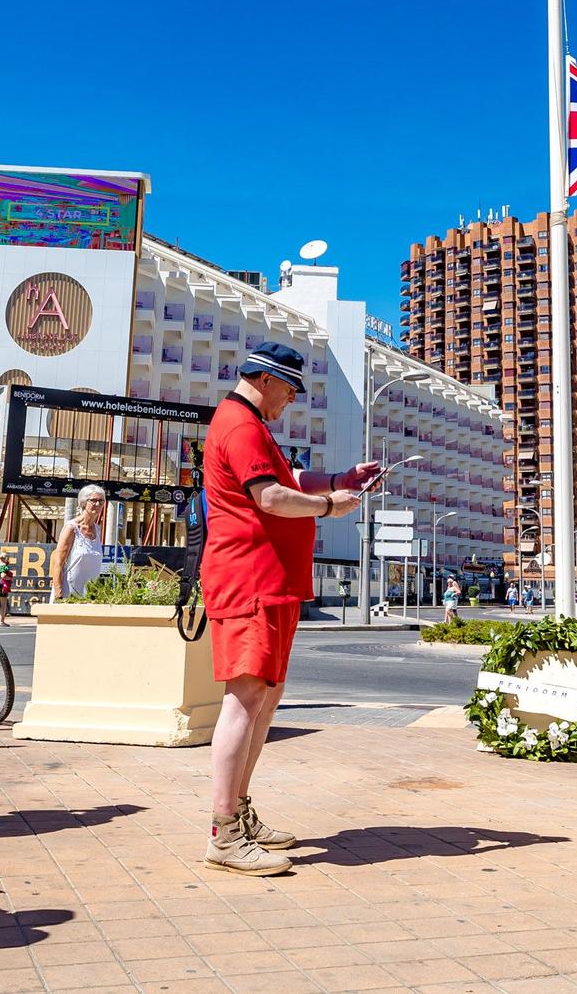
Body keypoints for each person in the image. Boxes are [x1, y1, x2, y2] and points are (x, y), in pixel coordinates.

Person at [199, 343, 378, 875]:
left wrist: (339, 479)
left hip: (268, 582)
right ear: (266, 379)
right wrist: (331, 506)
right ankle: (224, 833)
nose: (292, 400)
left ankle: (239, 813)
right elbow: (270, 498)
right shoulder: (241, 425)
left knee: (264, 698)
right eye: (291, 389)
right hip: (249, 579)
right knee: (246, 697)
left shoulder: (251, 426)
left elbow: (288, 480)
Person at [48, 484, 109, 602]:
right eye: (93, 500)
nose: (98, 504)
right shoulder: (72, 528)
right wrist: (59, 594)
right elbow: (58, 563)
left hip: (90, 595)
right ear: (83, 502)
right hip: (68, 593)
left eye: (101, 501)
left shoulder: (97, 529)